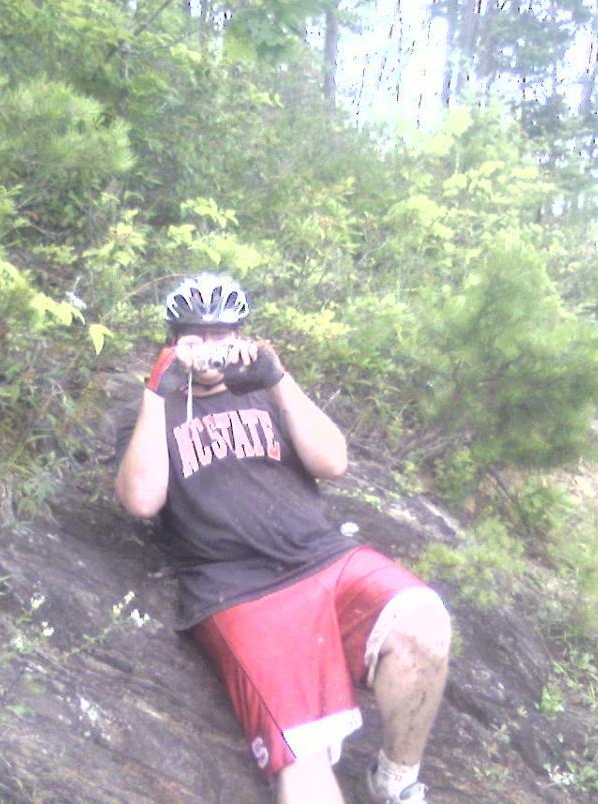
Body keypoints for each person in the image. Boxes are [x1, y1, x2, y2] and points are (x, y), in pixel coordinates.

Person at [115, 273, 451, 804]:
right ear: (173, 341)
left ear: (242, 336)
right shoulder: (153, 416)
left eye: (223, 335)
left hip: (325, 557)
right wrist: (157, 393)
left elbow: (332, 462)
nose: (209, 350)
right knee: (302, 753)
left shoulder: (268, 394)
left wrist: (278, 379)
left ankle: (396, 780)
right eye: (194, 337)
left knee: (424, 619)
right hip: (239, 591)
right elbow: (141, 500)